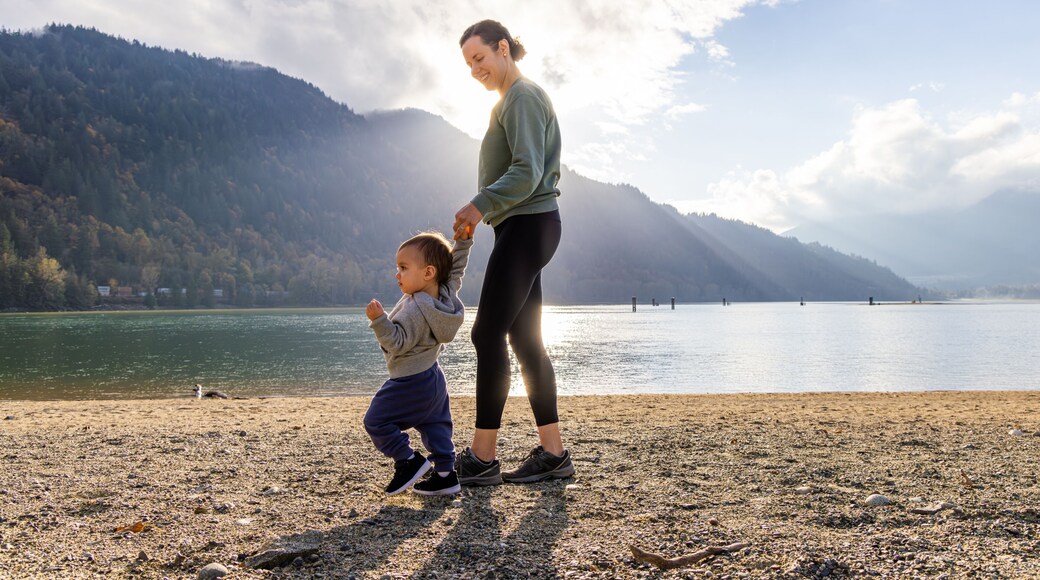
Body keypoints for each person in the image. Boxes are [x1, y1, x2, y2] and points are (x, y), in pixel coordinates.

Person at [452, 19, 574, 485]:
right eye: (468, 64)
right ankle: (554, 454)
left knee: (487, 335)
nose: (475, 69)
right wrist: (486, 213)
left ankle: (482, 460)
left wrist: (478, 204)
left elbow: (527, 171)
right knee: (524, 341)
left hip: (528, 225)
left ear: (503, 48)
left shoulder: (521, 96)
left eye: (479, 58)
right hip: (526, 227)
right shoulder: (513, 100)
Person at [363, 231, 473, 496]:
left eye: (403, 268)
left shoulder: (415, 309)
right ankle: (446, 476)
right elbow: (455, 268)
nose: (397, 274)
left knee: (376, 421)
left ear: (428, 273)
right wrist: (463, 243)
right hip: (432, 376)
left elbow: (397, 342)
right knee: (435, 424)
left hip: (409, 380)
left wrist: (379, 321)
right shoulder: (445, 294)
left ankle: (408, 461)